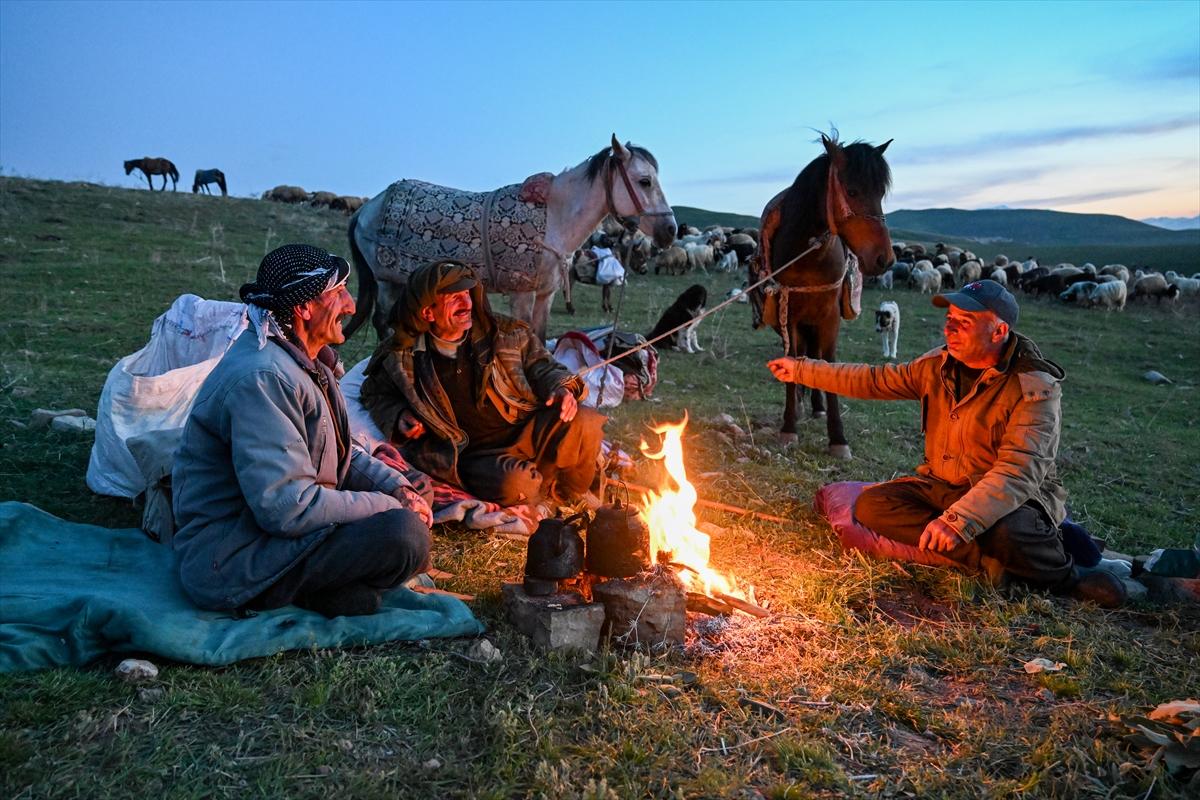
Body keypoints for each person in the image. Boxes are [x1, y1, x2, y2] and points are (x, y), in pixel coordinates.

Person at [767, 279, 1125, 606]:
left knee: (1007, 531)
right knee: (872, 506)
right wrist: (802, 370)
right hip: (942, 486)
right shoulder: (937, 366)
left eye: (964, 322)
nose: (949, 327)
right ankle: (991, 564)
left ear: (999, 330)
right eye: (951, 317)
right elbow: (874, 380)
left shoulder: (1033, 387)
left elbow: (1018, 473)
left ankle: (1067, 578)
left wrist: (959, 522)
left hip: (1010, 500)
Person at [172, 244, 434, 618]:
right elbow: (287, 507)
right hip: (232, 556)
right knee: (403, 535)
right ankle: (294, 591)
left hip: (278, 531)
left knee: (414, 488)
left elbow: (341, 455)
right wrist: (389, 506)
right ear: (304, 308)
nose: (351, 306)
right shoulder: (262, 378)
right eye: (339, 293)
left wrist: (397, 488)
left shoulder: (307, 365)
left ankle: (325, 591)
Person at [360, 260, 605, 509]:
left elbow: (542, 366)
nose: (466, 304)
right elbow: (375, 394)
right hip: (474, 454)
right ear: (428, 312)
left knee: (586, 422)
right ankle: (541, 485)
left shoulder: (505, 334)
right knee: (515, 484)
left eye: (467, 294)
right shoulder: (401, 358)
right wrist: (399, 416)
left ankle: (570, 493)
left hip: (527, 427)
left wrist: (560, 388)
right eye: (454, 298)